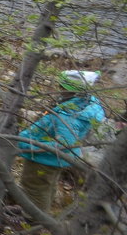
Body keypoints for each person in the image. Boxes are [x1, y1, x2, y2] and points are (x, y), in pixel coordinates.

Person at [15, 71, 106, 217]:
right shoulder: (85, 104)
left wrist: (25, 144)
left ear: (69, 90)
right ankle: (36, 212)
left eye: (61, 86)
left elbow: (63, 144)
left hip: (43, 158)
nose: (58, 88)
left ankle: (32, 219)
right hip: (56, 159)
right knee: (47, 187)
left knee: (34, 187)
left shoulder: (69, 115)